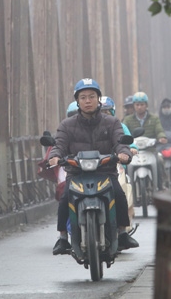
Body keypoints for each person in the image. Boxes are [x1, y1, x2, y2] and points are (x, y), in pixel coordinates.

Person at [50, 79, 138, 255]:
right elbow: (59, 144)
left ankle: (122, 233)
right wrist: (55, 156)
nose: (87, 101)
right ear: (77, 101)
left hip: (105, 172)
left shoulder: (112, 122)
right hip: (76, 174)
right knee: (65, 197)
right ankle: (62, 238)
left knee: (119, 195)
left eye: (91, 96)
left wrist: (124, 154)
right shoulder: (67, 125)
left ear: (99, 98)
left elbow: (120, 142)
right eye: (83, 97)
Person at [123, 91, 168, 189]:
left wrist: (161, 137)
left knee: (159, 160)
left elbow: (159, 130)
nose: (139, 107)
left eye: (142, 104)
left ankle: (161, 185)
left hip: (150, 150)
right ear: (134, 105)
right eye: (137, 104)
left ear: (146, 105)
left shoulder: (154, 119)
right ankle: (127, 186)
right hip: (134, 151)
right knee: (124, 163)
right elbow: (123, 131)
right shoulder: (128, 120)